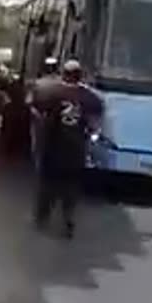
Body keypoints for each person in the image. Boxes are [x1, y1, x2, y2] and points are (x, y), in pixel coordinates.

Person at [32, 60, 104, 240]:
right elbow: (96, 119)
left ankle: (42, 218)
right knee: (70, 189)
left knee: (47, 186)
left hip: (52, 148)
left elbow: (36, 109)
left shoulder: (49, 92)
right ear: (80, 76)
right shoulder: (90, 97)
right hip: (76, 151)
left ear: (63, 73)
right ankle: (68, 219)